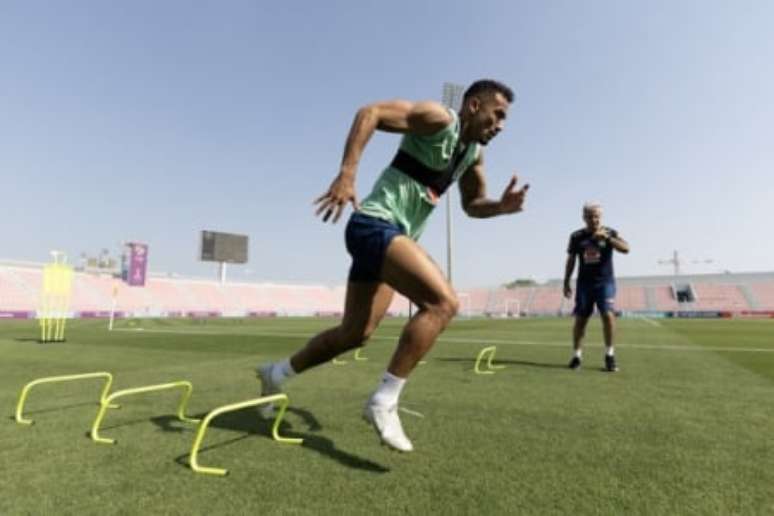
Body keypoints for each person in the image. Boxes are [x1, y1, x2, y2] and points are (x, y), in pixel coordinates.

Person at [257, 79, 529, 452]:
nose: (500, 126)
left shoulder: (472, 156)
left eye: (504, 120)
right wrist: (347, 174)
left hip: (390, 238)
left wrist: (500, 206)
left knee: (355, 334)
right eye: (497, 115)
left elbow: (472, 204)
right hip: (373, 224)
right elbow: (370, 113)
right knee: (444, 303)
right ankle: (384, 401)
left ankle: (275, 373)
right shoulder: (439, 119)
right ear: (473, 106)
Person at [563, 202, 629, 372]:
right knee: (581, 320)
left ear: (601, 217)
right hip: (584, 284)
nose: (594, 219)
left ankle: (610, 355)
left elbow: (626, 248)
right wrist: (566, 281)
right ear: (584, 217)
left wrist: (607, 238)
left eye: (597, 216)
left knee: (608, 315)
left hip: (605, 283)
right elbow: (571, 260)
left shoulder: (609, 232)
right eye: (590, 216)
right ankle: (577, 356)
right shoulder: (576, 236)